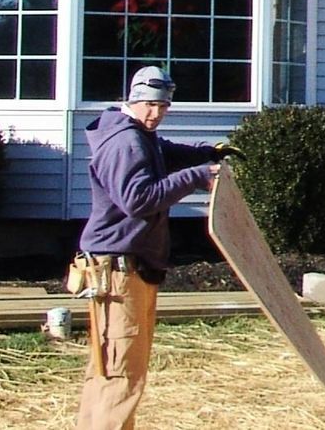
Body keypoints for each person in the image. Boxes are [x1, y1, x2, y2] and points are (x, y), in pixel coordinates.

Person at [75, 66, 227, 430]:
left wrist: (207, 152)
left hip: (127, 269)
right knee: (122, 375)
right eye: (150, 105)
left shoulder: (139, 135)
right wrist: (198, 177)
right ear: (133, 100)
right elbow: (138, 199)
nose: (157, 113)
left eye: (163, 107)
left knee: (109, 370)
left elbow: (165, 152)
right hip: (118, 273)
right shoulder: (126, 142)